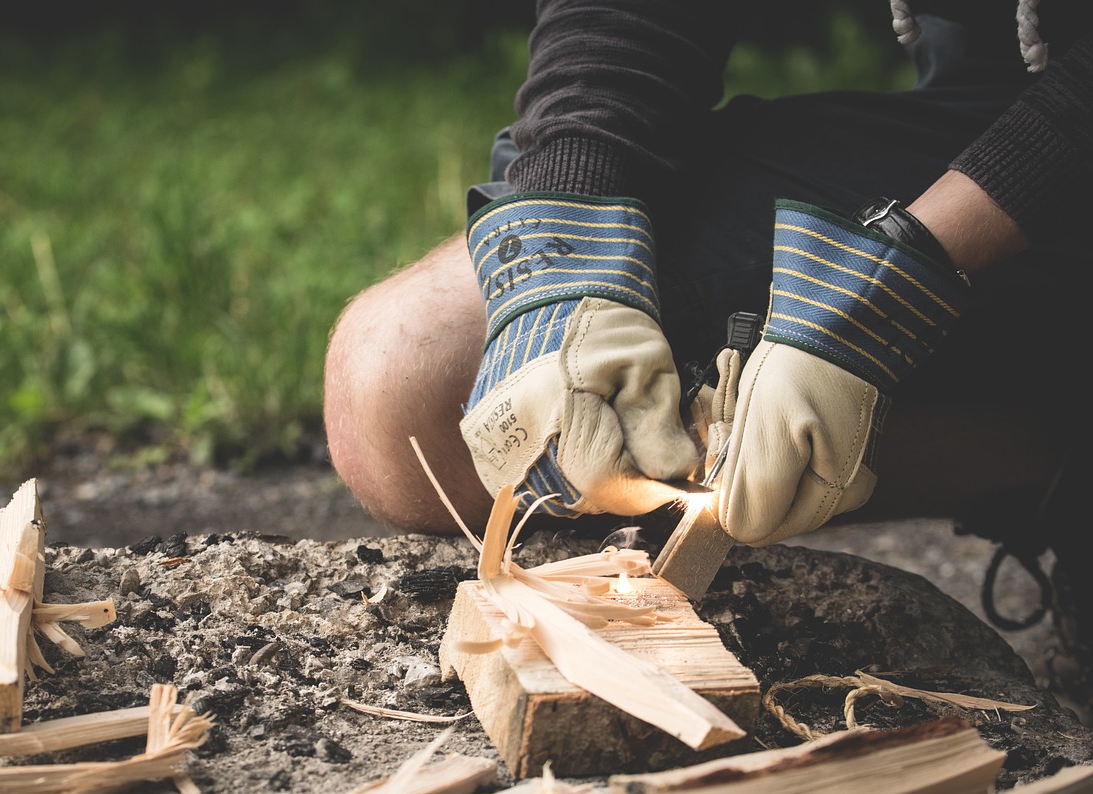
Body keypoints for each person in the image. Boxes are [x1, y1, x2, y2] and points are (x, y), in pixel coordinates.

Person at [323, 1, 1092, 715]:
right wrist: (565, 244)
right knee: (402, 381)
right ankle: (1044, 456)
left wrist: (899, 277)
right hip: (991, 106)